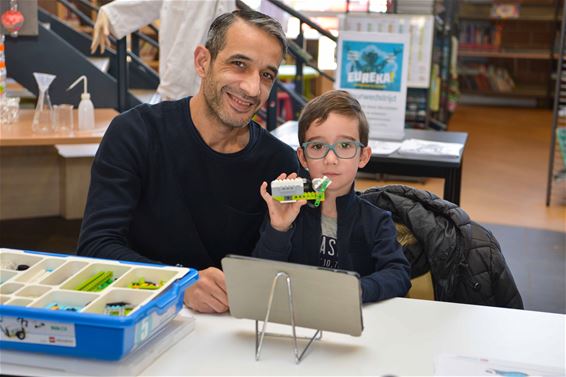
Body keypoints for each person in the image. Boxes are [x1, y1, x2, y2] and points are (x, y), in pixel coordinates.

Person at [78, 10, 299, 313]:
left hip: (233, 331)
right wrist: (177, 283)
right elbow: (95, 248)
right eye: (239, 64)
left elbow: (280, 271)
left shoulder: (280, 163)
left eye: (266, 75)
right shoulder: (135, 133)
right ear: (202, 61)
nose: (251, 88)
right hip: (141, 316)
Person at [252, 90, 411, 303]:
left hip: (353, 321)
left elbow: (399, 275)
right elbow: (259, 276)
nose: (331, 159)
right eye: (317, 146)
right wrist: (279, 229)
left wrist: (356, 289)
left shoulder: (376, 220)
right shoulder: (288, 212)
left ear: (363, 156)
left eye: (345, 145)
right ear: (303, 157)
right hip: (297, 319)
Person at [91, 0, 236, 101]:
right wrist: (110, 13)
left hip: (193, 85)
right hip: (179, 84)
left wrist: (173, 89)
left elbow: (193, 35)